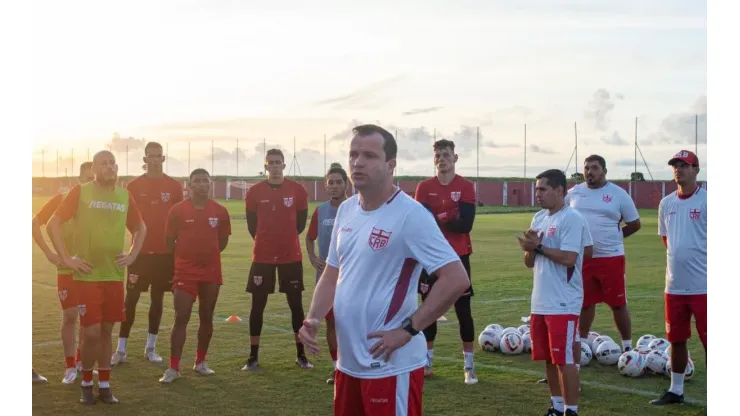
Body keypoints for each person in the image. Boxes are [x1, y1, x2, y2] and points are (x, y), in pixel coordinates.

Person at [298, 124, 471, 416]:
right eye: (353, 154)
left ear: (391, 164)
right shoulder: (347, 210)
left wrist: (408, 330)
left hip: (391, 365)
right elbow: (331, 274)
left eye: (369, 155)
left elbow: (456, 278)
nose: (357, 162)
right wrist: (314, 318)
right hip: (348, 363)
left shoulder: (411, 214)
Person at [46, 150, 147, 405]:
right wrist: (67, 258)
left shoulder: (125, 195)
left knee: (106, 331)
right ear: (93, 169)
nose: (109, 167)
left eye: (113, 163)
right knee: (90, 332)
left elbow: (140, 227)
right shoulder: (81, 192)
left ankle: (104, 385)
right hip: (87, 275)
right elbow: (52, 224)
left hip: (113, 275)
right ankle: (86, 382)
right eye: (104, 163)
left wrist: (133, 254)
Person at [517, 169, 592, 416]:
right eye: (536, 189)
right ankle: (557, 407)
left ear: (560, 190)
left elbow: (570, 259)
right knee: (549, 359)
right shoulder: (539, 218)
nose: (537, 194)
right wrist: (530, 248)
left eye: (543, 189)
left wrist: (539, 247)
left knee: (565, 360)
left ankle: (572, 410)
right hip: (540, 302)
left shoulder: (571, 218)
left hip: (563, 302)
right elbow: (530, 263)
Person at [112, 142, 183, 366]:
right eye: (150, 156)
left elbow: (178, 218)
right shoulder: (132, 185)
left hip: (165, 255)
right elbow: (126, 217)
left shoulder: (173, 186)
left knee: (157, 299)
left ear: (163, 158)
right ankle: (121, 349)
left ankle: (150, 348)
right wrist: (137, 239)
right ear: (145, 159)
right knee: (130, 300)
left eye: (158, 156)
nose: (154, 159)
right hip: (139, 254)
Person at [414, 139, 478, 384]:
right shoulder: (423, 187)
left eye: (447, 155)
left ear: (455, 158)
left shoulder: (465, 186)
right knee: (428, 310)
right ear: (434, 160)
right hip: (429, 258)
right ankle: (427, 362)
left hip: (458, 255)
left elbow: (465, 225)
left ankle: (469, 366)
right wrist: (449, 215)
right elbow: (421, 225)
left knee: (463, 311)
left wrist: (438, 219)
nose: (442, 159)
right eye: (438, 155)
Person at [159, 169, 231, 384]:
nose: (201, 184)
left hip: (211, 271)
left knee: (206, 316)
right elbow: (169, 242)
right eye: (196, 181)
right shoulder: (177, 210)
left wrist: (206, 256)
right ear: (189, 185)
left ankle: (200, 363)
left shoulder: (220, 211)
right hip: (185, 272)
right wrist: (187, 259)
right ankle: (173, 368)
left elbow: (222, 242)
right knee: (181, 317)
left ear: (210, 184)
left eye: (204, 181)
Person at [243, 149, 311, 371]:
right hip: (262, 256)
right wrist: (266, 241)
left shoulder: (297, 190)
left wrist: (285, 239)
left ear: (283, 165)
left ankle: (301, 355)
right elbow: (252, 225)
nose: (274, 166)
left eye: (278, 162)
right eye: (270, 163)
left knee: (296, 306)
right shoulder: (254, 192)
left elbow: (300, 223)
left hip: (290, 256)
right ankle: (253, 357)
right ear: (265, 166)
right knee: (257, 306)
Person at [566, 155, 641, 352]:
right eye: (587, 168)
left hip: (611, 258)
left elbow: (635, 223)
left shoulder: (618, 194)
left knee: (618, 303)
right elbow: (562, 216)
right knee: (585, 303)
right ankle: (581, 345)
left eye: (595, 168)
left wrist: (616, 237)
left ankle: (627, 347)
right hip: (585, 259)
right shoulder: (574, 193)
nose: (590, 172)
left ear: (604, 171)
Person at [650, 150, 706, 406]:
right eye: (675, 165)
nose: (679, 170)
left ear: (696, 170)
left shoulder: (709, 201)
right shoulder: (667, 203)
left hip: (706, 287)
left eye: (685, 165)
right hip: (674, 287)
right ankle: (676, 390)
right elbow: (666, 240)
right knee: (677, 340)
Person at [32, 162, 94, 384]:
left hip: (93, 269)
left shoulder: (102, 202)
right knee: (70, 316)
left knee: (90, 319)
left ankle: (80, 361)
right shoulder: (62, 199)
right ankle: (70, 366)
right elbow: (35, 224)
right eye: (88, 178)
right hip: (67, 268)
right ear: (79, 179)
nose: (91, 183)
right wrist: (50, 253)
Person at [305, 163, 349, 385]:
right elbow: (309, 237)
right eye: (330, 183)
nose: (334, 186)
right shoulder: (320, 211)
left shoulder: (356, 207)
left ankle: (356, 367)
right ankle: (337, 368)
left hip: (353, 278)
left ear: (346, 184)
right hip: (327, 279)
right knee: (331, 324)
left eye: (338, 182)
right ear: (325, 186)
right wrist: (313, 258)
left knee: (353, 323)